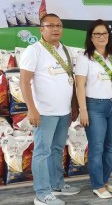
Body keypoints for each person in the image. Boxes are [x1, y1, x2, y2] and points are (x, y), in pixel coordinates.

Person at [20, 13, 80, 205]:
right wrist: (32, 109)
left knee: (57, 149)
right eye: (50, 25)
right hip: (44, 112)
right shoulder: (34, 50)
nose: (55, 29)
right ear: (41, 29)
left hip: (63, 111)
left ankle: (57, 184)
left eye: (59, 26)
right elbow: (24, 82)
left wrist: (74, 105)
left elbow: (70, 80)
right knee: (42, 151)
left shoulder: (67, 50)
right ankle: (42, 193)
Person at [75, 19, 112, 199]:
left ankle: (105, 180)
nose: (101, 37)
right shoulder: (85, 58)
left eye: (104, 33)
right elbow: (80, 85)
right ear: (91, 37)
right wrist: (83, 110)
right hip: (94, 106)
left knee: (109, 146)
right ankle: (97, 184)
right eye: (97, 34)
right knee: (97, 147)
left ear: (109, 36)